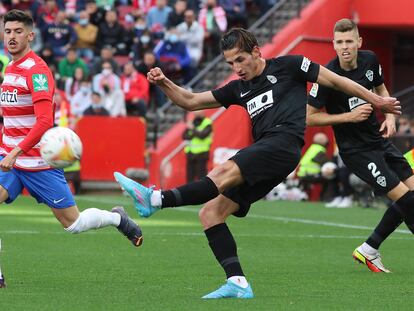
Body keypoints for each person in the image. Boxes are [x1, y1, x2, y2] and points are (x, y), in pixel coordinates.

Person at [114, 28, 400, 299]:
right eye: (230, 62)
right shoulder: (238, 89)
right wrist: (164, 82)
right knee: (211, 213)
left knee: (223, 171)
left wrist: (376, 100)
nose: (237, 67)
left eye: (240, 59)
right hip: (267, 152)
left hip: (284, 144)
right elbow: (189, 100)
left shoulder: (290, 65)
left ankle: (155, 199)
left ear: (256, 52)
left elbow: (336, 81)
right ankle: (236, 282)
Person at [0, 10, 143, 289]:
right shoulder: (9, 67)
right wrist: (9, 149)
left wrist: (17, 150)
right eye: (8, 31)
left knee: (73, 224)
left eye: (18, 32)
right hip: (9, 157)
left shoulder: (37, 71)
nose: (12, 36)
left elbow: (44, 120)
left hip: (36, 161)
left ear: (30, 36)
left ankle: (116, 217)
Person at [306, 18, 414, 273]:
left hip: (378, 141)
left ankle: (369, 249)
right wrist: (347, 117)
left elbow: (382, 89)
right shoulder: (327, 76)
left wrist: (389, 117)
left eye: (349, 41)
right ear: (334, 44)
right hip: (357, 152)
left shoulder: (370, 60)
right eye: (340, 42)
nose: (344, 47)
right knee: (408, 201)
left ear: (358, 42)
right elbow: (308, 117)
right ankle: (369, 249)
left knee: (411, 196)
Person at [296, 132, 331, 200]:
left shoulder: (312, 148)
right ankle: (325, 198)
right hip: (310, 175)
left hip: (302, 174)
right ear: (323, 141)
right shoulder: (320, 150)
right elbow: (326, 163)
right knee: (329, 178)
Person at [183, 110, 213, 182]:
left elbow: (202, 135)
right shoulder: (192, 122)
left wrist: (192, 129)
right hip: (190, 154)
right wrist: (194, 131)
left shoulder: (207, 122)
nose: (196, 113)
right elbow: (185, 136)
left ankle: (202, 193)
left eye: (198, 111)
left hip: (202, 154)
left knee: (201, 178)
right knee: (190, 178)